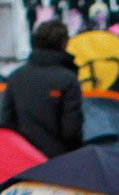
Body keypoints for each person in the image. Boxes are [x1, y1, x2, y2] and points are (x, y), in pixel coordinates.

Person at [1, 20, 83, 158]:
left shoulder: (16, 77)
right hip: (58, 159)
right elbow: (71, 131)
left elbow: (6, 122)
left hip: (24, 158)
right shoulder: (67, 79)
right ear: (64, 43)